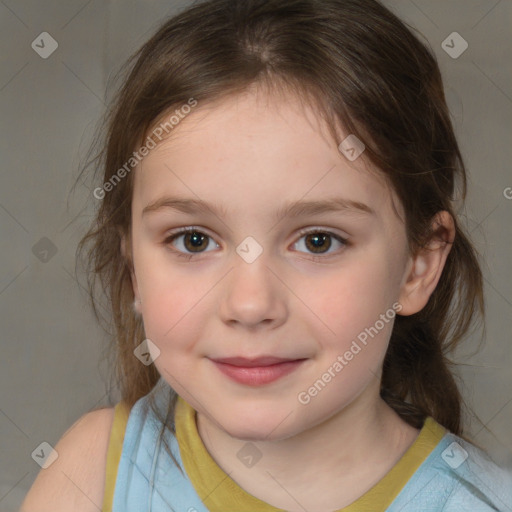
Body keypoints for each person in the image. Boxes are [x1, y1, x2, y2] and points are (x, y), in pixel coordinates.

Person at [21, 0, 512, 510]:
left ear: (418, 267)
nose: (251, 304)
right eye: (194, 240)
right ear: (134, 270)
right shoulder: (94, 474)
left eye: (318, 241)